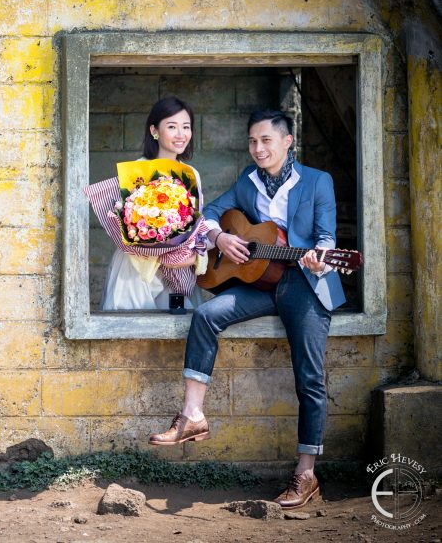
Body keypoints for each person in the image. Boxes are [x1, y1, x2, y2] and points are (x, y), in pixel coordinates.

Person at [148, 109, 345, 510]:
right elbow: (211, 213)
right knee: (205, 315)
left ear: (287, 141)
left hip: (304, 283)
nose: (258, 149)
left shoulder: (317, 182)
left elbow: (326, 238)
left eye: (266, 141)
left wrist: (320, 258)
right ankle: (192, 415)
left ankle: (306, 474)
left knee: (308, 377)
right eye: (253, 141)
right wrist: (219, 238)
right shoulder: (247, 180)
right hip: (261, 283)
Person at [100, 96, 205, 311]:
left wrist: (191, 257)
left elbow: (196, 226)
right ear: (154, 131)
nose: (180, 134)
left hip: (177, 269)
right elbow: (127, 222)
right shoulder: (136, 171)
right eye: (172, 126)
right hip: (138, 268)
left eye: (186, 127)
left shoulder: (191, 174)